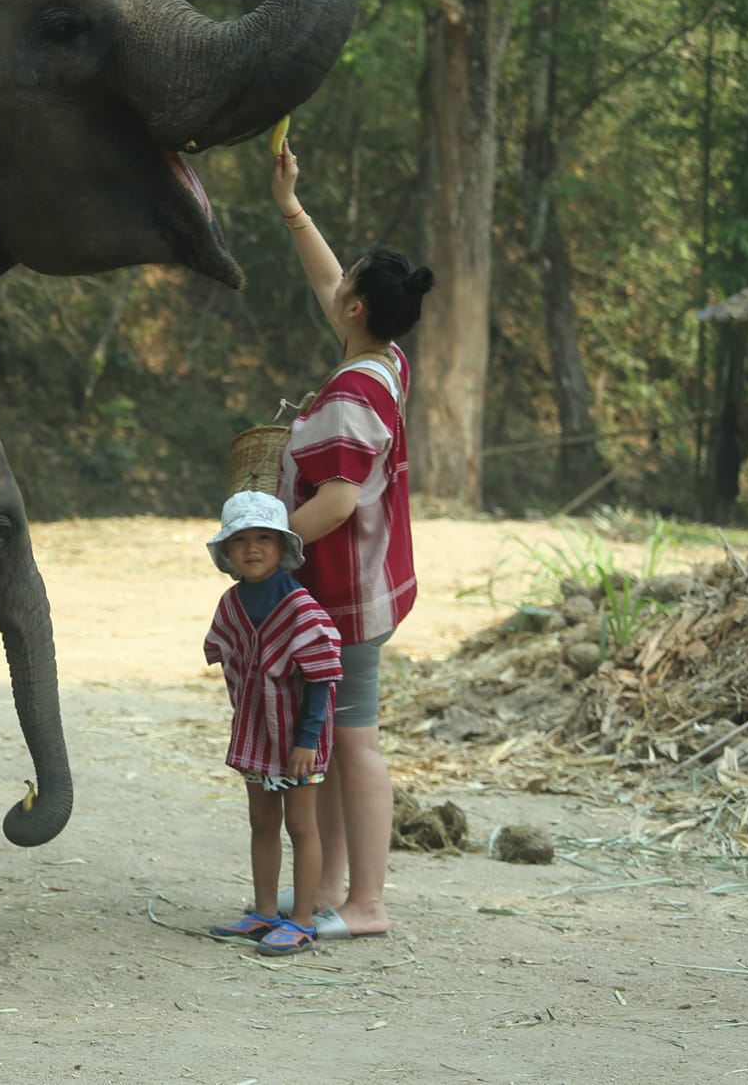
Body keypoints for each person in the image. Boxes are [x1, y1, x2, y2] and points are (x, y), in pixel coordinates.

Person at [269, 137, 435, 941]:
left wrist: (263, 541)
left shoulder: (348, 396)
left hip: (346, 593)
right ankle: (331, 885)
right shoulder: (387, 361)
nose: (337, 289)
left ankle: (367, 902)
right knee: (329, 735)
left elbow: (333, 503)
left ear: (358, 311)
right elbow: (330, 283)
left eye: (349, 288)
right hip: (363, 587)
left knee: (356, 741)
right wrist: (292, 207)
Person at [202, 490, 344, 956]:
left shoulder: (301, 607)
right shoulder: (231, 604)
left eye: (265, 537)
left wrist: (307, 741)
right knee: (261, 822)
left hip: (298, 735)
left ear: (284, 547)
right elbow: (223, 654)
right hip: (255, 732)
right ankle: (264, 911)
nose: (253, 548)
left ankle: (301, 920)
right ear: (227, 552)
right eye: (240, 540)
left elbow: (322, 677)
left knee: (301, 825)